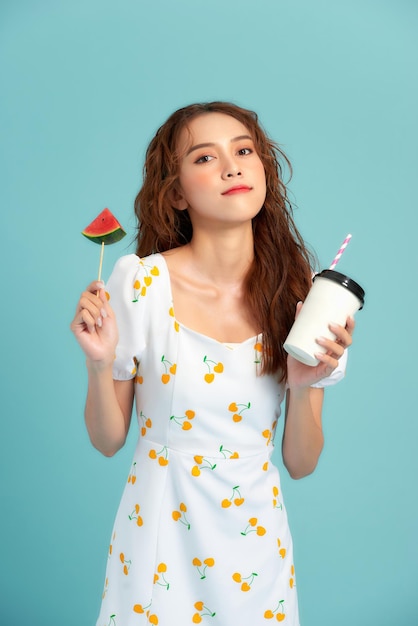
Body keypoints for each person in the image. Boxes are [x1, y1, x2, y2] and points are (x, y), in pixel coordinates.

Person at [71, 102, 354, 626]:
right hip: (160, 541)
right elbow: (109, 440)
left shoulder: (304, 294)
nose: (232, 166)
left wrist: (302, 384)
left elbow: (300, 462)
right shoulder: (140, 283)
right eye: (205, 157)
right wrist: (98, 363)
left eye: (244, 150)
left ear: (263, 168)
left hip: (256, 547)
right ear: (176, 191)